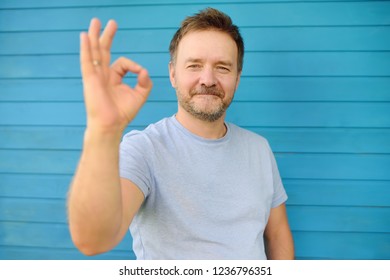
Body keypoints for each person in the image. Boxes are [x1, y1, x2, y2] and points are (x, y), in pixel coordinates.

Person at [68, 7, 294, 260]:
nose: (207, 79)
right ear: (173, 74)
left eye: (222, 67)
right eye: (194, 65)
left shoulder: (259, 148)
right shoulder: (143, 149)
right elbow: (92, 240)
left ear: (237, 78)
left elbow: (277, 233)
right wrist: (103, 130)